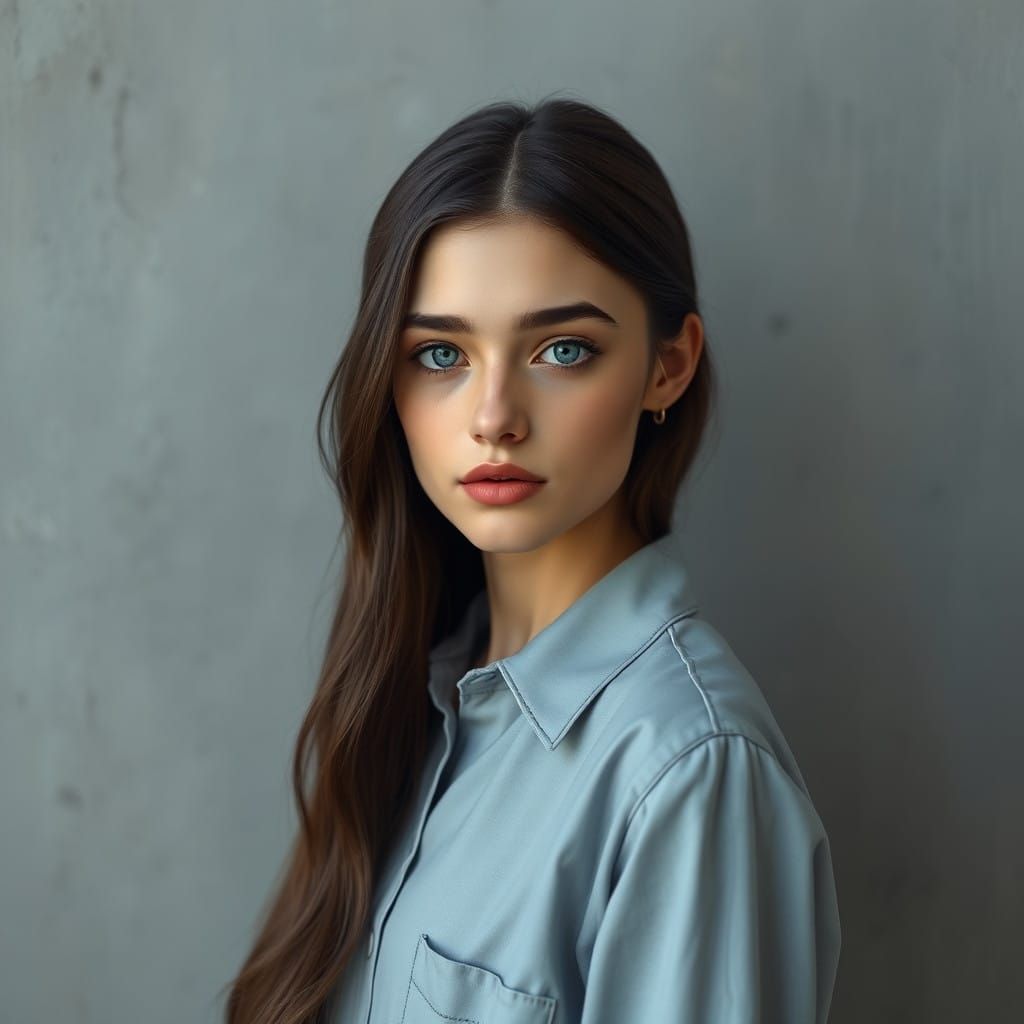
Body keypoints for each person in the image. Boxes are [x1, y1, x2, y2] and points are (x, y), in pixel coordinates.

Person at [223, 95, 841, 1024]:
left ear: (667, 367)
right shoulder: (419, 700)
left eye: (561, 349)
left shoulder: (692, 773)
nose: (493, 416)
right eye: (441, 354)